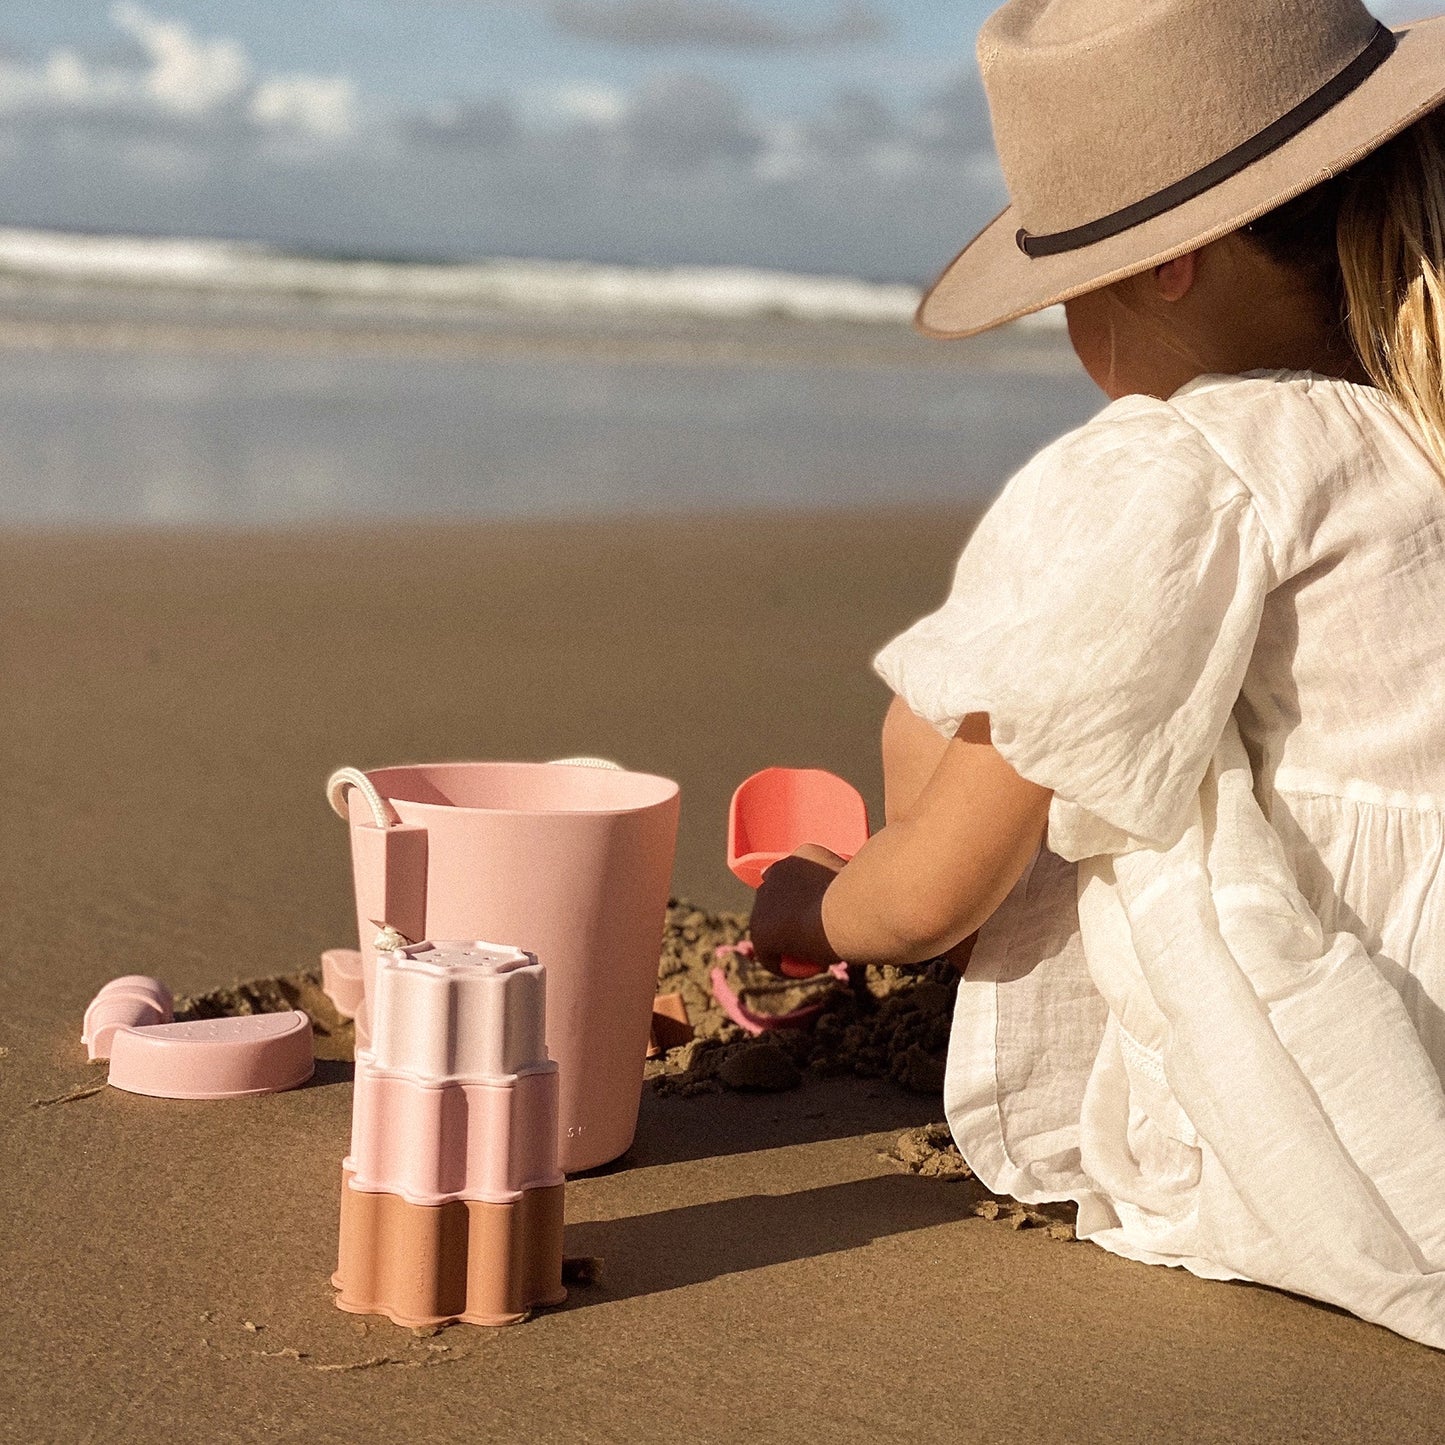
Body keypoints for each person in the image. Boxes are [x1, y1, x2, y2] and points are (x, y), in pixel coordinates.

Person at [748, 0, 1445, 1349]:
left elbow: (933, 903)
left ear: (1165, 262)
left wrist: (803, 914)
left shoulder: (1179, 469)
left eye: (1071, 276)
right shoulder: (1416, 422)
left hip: (1351, 1080)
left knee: (983, 709)